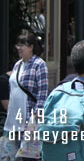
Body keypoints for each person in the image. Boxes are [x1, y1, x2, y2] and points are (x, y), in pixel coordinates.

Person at [2, 32, 48, 161]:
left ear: (31, 47)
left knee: (30, 157)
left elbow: (43, 91)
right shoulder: (18, 65)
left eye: (23, 45)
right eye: (18, 44)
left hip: (29, 120)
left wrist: (38, 114)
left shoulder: (39, 64)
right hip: (14, 120)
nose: (19, 48)